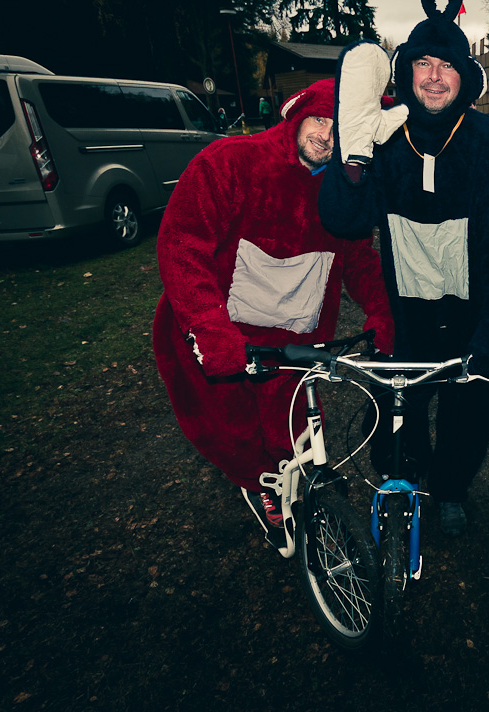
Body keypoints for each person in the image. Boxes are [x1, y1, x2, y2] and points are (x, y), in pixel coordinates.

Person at [152, 79, 394, 548]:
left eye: (339, 127)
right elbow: (183, 242)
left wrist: (384, 314)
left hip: (296, 335)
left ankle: (295, 484)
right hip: (230, 330)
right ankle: (256, 483)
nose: (326, 135)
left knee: (294, 425)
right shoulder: (229, 162)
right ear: (298, 113)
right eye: (319, 120)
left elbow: (360, 261)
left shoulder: (343, 190)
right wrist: (210, 329)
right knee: (235, 427)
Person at [318, 0, 489, 537]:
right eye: (423, 64)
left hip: (468, 307)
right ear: (405, 72)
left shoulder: (487, 139)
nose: (434, 76)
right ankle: (406, 478)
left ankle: (451, 488)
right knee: (395, 413)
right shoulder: (385, 134)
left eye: (446, 65)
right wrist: (353, 160)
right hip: (405, 311)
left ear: (464, 76)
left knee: (467, 411)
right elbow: (345, 221)